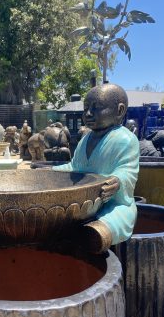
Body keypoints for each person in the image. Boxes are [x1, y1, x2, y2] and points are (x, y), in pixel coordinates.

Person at [53, 83, 139, 253]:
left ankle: (97, 234)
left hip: (112, 203)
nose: (88, 114)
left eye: (96, 108)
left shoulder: (126, 139)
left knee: (108, 224)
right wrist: (49, 173)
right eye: (86, 108)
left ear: (119, 111)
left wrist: (117, 181)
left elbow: (127, 171)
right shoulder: (85, 139)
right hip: (83, 202)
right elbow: (74, 168)